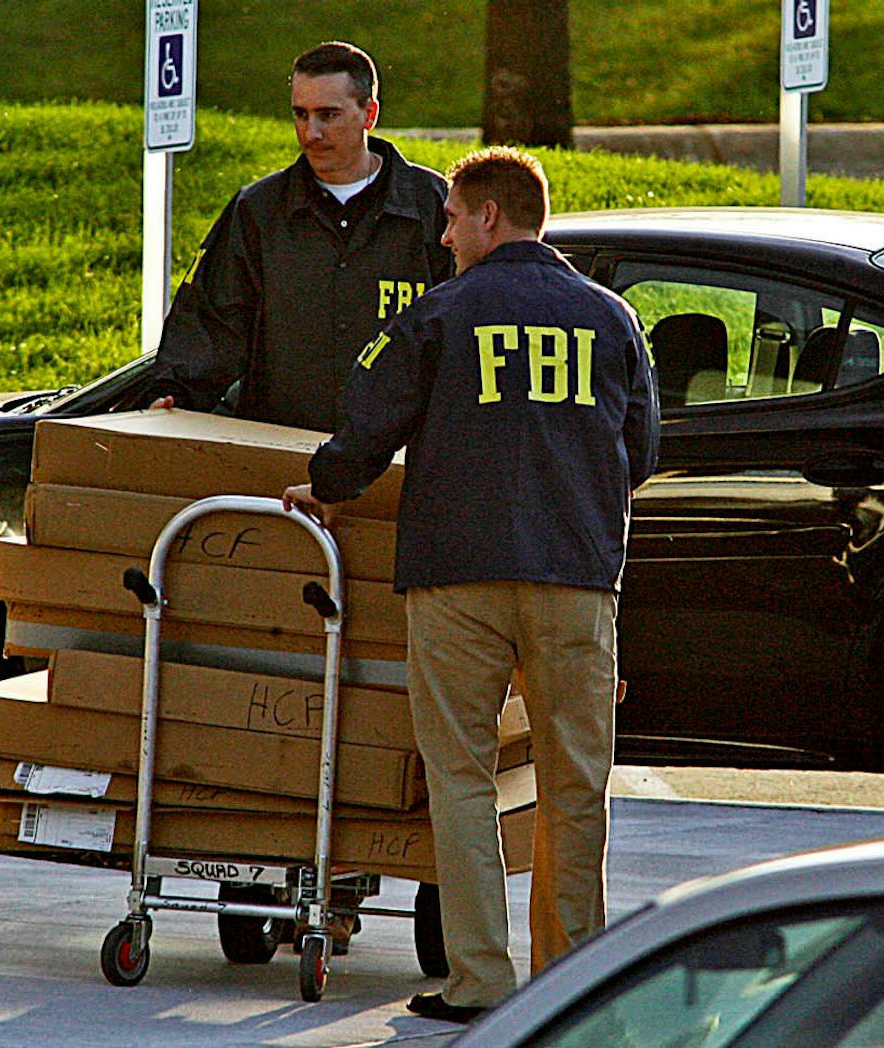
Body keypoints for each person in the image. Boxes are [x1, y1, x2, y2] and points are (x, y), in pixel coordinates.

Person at [284, 146, 659, 1022]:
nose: (444, 235)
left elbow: (366, 426)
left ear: (490, 217)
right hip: (575, 579)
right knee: (577, 785)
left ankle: (480, 984)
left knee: (461, 780)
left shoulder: (441, 313)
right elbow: (641, 453)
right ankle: (573, 984)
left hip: (456, 577)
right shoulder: (610, 318)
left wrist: (326, 484)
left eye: (451, 217)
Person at [144, 40, 452, 431]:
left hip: (402, 458)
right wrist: (177, 394)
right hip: (279, 451)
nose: (312, 132)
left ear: (369, 114)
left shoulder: (433, 206)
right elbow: (212, 321)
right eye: (301, 114)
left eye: (328, 115)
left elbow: (467, 330)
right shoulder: (258, 211)